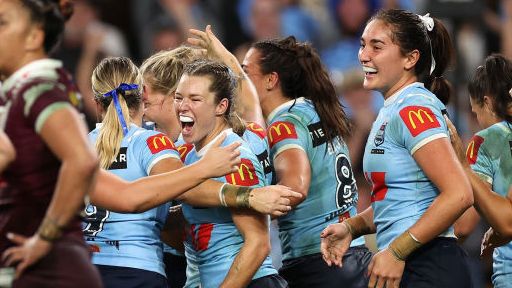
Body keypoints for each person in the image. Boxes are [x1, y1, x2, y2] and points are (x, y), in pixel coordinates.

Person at [320, 9, 474, 288]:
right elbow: (399, 200)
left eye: (377, 46)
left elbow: (459, 194)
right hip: (414, 261)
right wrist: (352, 227)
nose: (363, 55)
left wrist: (396, 251)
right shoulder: (394, 108)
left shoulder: (414, 107)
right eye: (362, 45)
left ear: (410, 58)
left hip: (428, 263)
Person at [241, 35, 372, 287]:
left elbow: (296, 186)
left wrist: (240, 202)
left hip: (317, 261)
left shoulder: (283, 124)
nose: (240, 83)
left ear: (271, 80)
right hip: (353, 256)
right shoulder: (313, 110)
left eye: (246, 73)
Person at [0, 0, 103, 287]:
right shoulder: (16, 94)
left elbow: (82, 160)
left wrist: (44, 238)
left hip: (51, 272)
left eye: (1, 23)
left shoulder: (39, 91)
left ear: (34, 36)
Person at [175, 59, 287, 288]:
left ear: (221, 106)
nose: (183, 106)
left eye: (195, 99)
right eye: (178, 97)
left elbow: (258, 244)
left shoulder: (236, 157)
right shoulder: (189, 157)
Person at [447, 54, 512, 288]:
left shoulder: (486, 141)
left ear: (486, 102)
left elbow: (464, 225)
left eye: (476, 113)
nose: (478, 120)